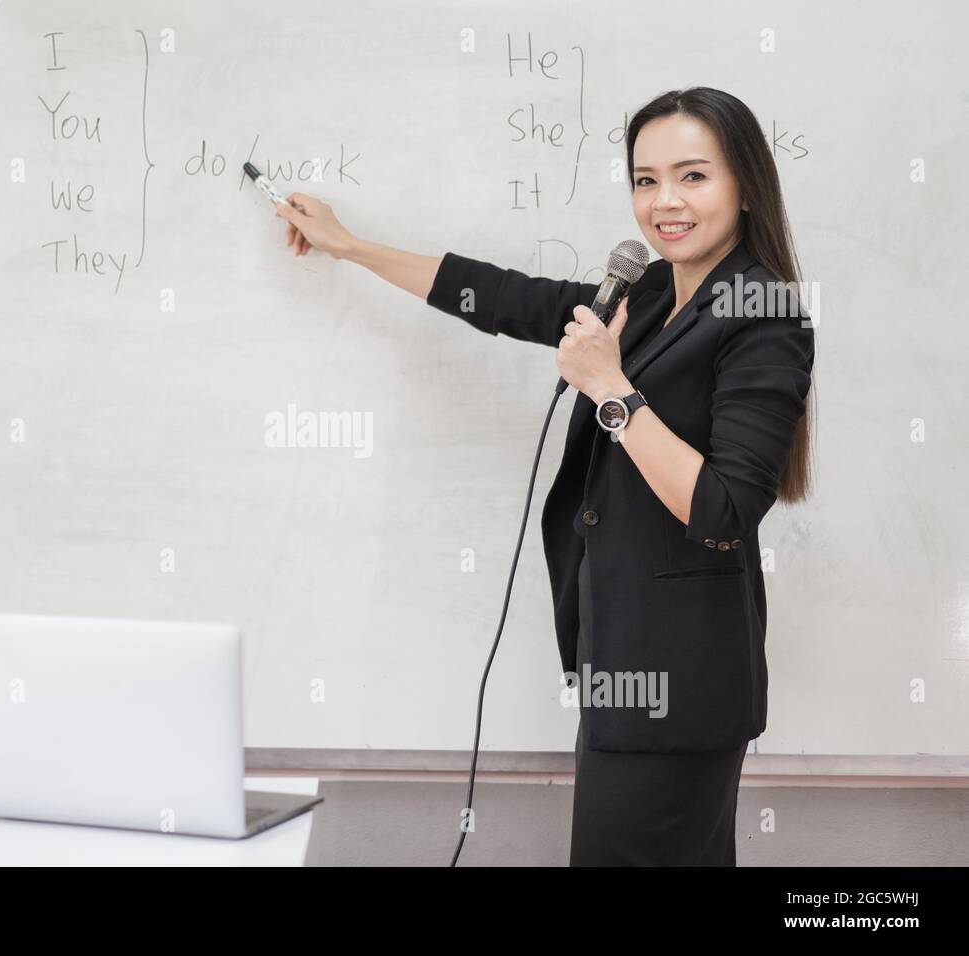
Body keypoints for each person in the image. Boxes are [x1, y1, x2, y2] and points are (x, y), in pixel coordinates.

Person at [273, 87, 816, 866]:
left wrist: (612, 390)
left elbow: (723, 509)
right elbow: (507, 298)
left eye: (693, 176)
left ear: (745, 185)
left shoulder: (763, 310)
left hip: (678, 689)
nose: (664, 202)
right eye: (644, 179)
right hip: (626, 674)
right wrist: (350, 246)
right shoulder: (657, 291)